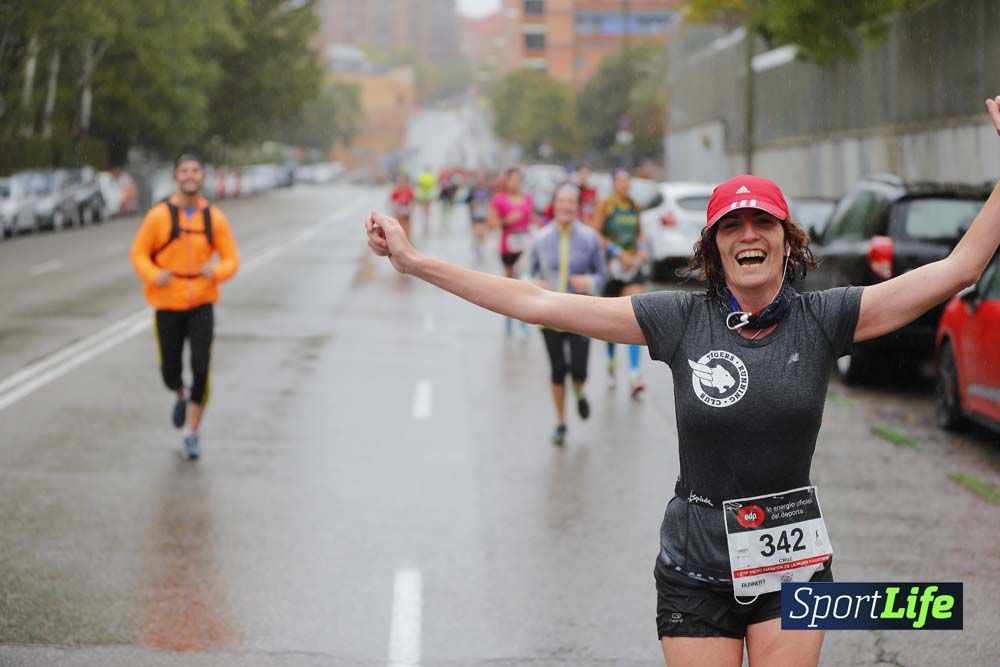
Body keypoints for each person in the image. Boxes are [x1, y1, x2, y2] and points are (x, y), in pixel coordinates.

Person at [363, 94, 1000, 667]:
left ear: (786, 241)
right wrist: (416, 262)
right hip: (695, 562)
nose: (748, 234)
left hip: (791, 563)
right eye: (732, 226)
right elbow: (538, 302)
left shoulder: (825, 317)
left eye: (763, 224)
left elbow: (962, 265)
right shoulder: (678, 319)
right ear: (714, 247)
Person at [129, 153, 240, 459]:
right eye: (184, 171)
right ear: (175, 176)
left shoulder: (213, 218)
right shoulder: (158, 216)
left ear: (202, 176)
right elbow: (138, 253)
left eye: (195, 171)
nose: (190, 176)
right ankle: (181, 392)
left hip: (202, 302)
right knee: (170, 371)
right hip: (167, 301)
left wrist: (215, 271)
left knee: (202, 368)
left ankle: (192, 433)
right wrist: (155, 274)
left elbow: (232, 259)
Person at [528, 184, 606, 445]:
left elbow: (602, 276)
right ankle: (561, 422)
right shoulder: (540, 238)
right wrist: (534, 283)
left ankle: (580, 389)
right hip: (549, 314)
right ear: (554, 204)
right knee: (558, 369)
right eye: (561, 201)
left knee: (579, 369)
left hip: (580, 314)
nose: (566, 206)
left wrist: (590, 282)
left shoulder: (590, 238)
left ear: (577, 206)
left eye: (571, 202)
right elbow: (529, 274)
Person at [594, 168, 648, 395]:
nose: (625, 185)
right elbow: (596, 234)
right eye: (621, 181)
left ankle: (635, 373)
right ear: (614, 183)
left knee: (635, 316)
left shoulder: (634, 206)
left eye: (628, 181)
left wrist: (641, 251)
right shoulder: (606, 205)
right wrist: (617, 251)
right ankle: (610, 361)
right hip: (611, 267)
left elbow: (639, 234)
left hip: (631, 267)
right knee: (610, 320)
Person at [487, 166, 536, 336]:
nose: (515, 182)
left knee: (524, 283)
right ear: (507, 181)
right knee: (510, 285)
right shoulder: (499, 199)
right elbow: (491, 223)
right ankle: (508, 317)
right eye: (512, 179)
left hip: (525, 245)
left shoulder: (527, 199)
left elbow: (532, 218)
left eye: (518, 179)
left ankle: (523, 319)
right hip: (508, 246)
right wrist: (506, 221)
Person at [464, 169, 493, 263]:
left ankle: (480, 248)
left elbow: (492, 201)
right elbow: (467, 201)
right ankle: (476, 247)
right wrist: (472, 204)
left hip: (485, 214)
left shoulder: (488, 189)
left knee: (483, 233)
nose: (481, 181)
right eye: (479, 178)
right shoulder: (472, 189)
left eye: (482, 179)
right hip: (475, 215)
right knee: (477, 233)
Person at [389, 173, 415, 240]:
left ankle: (408, 238)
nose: (401, 183)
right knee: (399, 224)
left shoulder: (409, 190)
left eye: (403, 181)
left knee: (407, 224)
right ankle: (400, 238)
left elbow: (412, 200)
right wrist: (394, 209)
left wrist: (411, 208)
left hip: (407, 209)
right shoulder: (396, 191)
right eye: (400, 181)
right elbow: (392, 201)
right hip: (398, 210)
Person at [415, 166, 437, 236]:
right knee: (427, 211)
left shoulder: (422, 176)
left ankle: (425, 225)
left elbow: (418, 184)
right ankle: (427, 224)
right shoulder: (431, 176)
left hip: (423, 195)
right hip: (429, 195)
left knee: (424, 211)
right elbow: (435, 184)